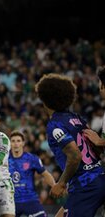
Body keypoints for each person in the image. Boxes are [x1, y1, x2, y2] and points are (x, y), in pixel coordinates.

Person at [35, 73, 105, 217]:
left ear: (45, 99)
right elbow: (96, 150)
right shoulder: (78, 119)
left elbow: (74, 156)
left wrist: (61, 183)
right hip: (100, 177)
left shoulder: (54, 125)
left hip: (85, 186)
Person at [8, 131, 55, 217]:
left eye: (18, 141)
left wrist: (54, 186)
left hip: (30, 199)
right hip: (11, 202)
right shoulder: (4, 160)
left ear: (23, 143)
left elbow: (45, 174)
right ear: (10, 143)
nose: (16, 144)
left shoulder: (32, 159)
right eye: (13, 141)